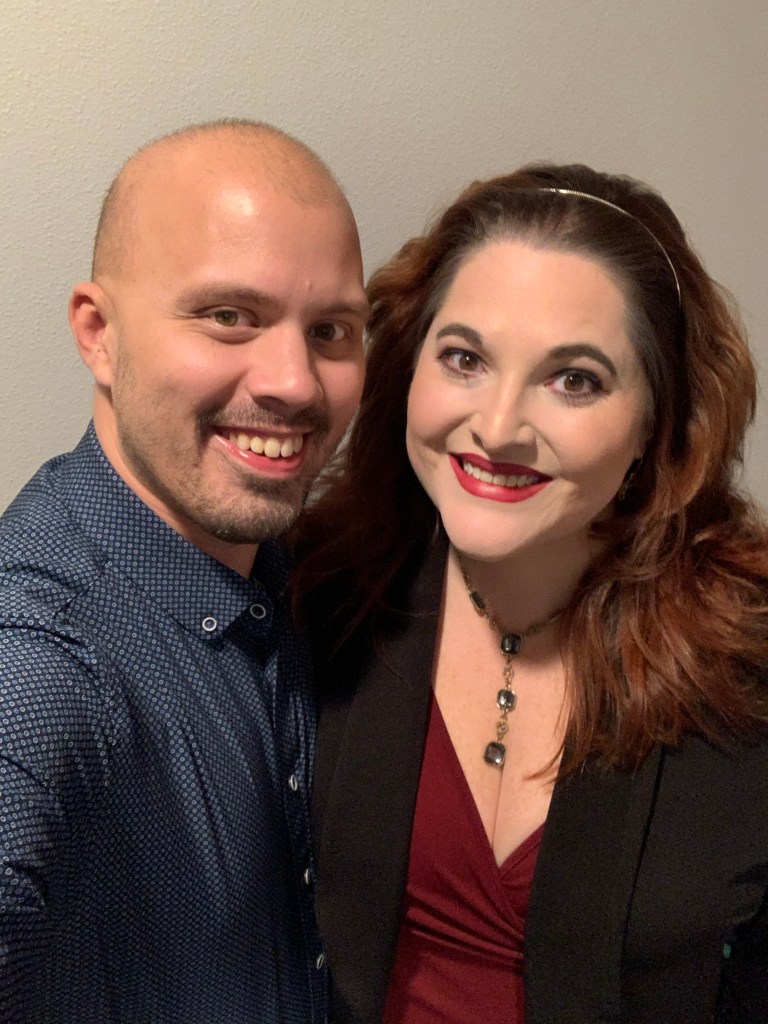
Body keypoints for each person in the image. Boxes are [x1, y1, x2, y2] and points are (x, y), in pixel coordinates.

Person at [293, 163, 768, 1023]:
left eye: (574, 379)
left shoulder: (749, 663)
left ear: (658, 421)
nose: (499, 427)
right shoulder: (314, 591)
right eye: (465, 359)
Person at [0, 119, 369, 1023]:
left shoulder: (298, 572)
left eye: (331, 330)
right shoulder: (37, 664)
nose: (295, 382)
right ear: (98, 332)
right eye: (229, 317)